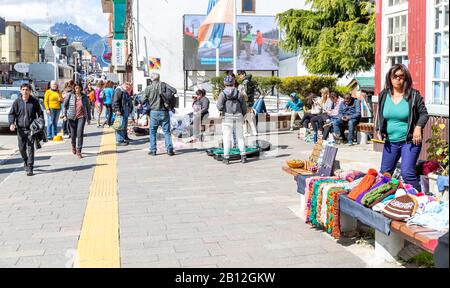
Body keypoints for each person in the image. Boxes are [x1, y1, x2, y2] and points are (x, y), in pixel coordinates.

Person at [377, 63, 429, 191]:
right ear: (390, 77)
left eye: (401, 76)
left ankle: (419, 200)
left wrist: (418, 127)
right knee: (384, 174)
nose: (398, 79)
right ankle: (383, 201)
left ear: (406, 78)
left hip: (410, 141)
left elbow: (424, 114)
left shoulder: (414, 95)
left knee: (407, 173)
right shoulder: (383, 95)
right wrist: (379, 129)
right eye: (395, 76)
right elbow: (380, 115)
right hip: (390, 142)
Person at [8, 83, 44, 176]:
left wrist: (39, 123)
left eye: (27, 90)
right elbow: (12, 114)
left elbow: (40, 113)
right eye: (23, 89)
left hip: (31, 129)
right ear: (21, 91)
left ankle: (30, 167)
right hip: (20, 129)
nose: (25, 91)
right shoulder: (17, 102)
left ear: (30, 91)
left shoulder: (34, 101)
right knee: (21, 148)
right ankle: (25, 160)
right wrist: (12, 123)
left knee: (30, 148)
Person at [140, 73, 176, 155]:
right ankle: (169, 149)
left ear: (151, 79)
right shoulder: (164, 85)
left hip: (154, 112)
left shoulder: (148, 88)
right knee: (166, 132)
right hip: (164, 111)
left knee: (152, 132)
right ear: (159, 78)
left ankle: (153, 150)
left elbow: (142, 100)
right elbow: (174, 91)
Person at [217, 75, 247, 165]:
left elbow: (219, 106)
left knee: (227, 137)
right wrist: (243, 115)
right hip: (238, 115)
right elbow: (244, 107)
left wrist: (224, 109)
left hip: (227, 116)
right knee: (240, 137)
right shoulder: (238, 93)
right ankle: (243, 156)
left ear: (225, 83)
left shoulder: (223, 93)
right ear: (234, 83)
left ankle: (226, 158)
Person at [63, 82, 91, 159]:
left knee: (80, 133)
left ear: (81, 88)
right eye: (75, 88)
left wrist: (89, 118)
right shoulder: (70, 95)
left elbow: (88, 108)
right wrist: (64, 115)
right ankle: (73, 145)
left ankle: (79, 150)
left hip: (81, 117)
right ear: (74, 88)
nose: (77, 89)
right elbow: (64, 105)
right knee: (73, 134)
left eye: (78, 88)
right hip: (71, 117)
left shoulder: (84, 97)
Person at [113, 82, 133, 146]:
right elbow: (115, 101)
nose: (129, 91)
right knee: (120, 125)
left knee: (124, 125)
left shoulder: (124, 91)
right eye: (129, 89)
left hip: (125, 111)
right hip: (121, 111)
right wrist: (117, 110)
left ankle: (125, 137)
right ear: (126, 87)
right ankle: (120, 140)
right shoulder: (119, 91)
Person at [238, 70, 258, 136]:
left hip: (245, 101)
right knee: (248, 117)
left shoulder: (245, 82)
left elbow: (244, 93)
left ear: (243, 74)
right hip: (251, 101)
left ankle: (245, 132)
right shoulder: (251, 81)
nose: (239, 77)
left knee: (244, 117)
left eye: (240, 75)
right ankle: (254, 131)